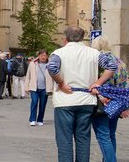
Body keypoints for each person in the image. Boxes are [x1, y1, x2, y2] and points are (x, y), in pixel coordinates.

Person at [47, 26, 116, 162]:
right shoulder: (93, 53)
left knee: (64, 140)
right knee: (83, 139)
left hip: (65, 101)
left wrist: (61, 83)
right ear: (82, 37)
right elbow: (112, 66)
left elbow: (52, 68)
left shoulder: (59, 53)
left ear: (65, 38)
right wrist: (98, 83)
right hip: (86, 100)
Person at [91, 37, 129, 162]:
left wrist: (101, 96)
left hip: (103, 102)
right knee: (110, 135)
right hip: (117, 102)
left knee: (103, 135)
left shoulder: (97, 60)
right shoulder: (120, 61)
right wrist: (126, 106)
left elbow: (96, 83)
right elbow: (127, 84)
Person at [25, 49, 55, 126]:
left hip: (45, 88)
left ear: (47, 56)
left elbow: (54, 76)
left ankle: (40, 119)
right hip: (34, 87)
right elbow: (28, 75)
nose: (43, 57)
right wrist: (26, 86)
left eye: (44, 55)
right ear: (39, 56)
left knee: (42, 104)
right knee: (34, 102)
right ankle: (32, 119)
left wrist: (53, 88)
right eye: (41, 55)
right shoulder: (33, 64)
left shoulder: (50, 64)